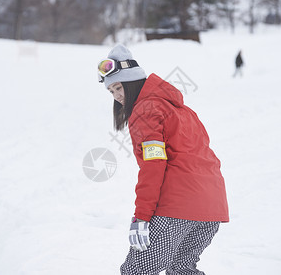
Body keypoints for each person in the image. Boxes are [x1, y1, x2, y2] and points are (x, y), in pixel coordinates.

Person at [97, 44, 229, 275]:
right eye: (111, 92)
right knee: (181, 269)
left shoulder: (146, 110)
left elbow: (153, 167)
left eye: (119, 88)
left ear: (132, 82)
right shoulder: (181, 110)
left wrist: (142, 217)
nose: (117, 97)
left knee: (137, 271)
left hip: (178, 208)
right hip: (212, 208)